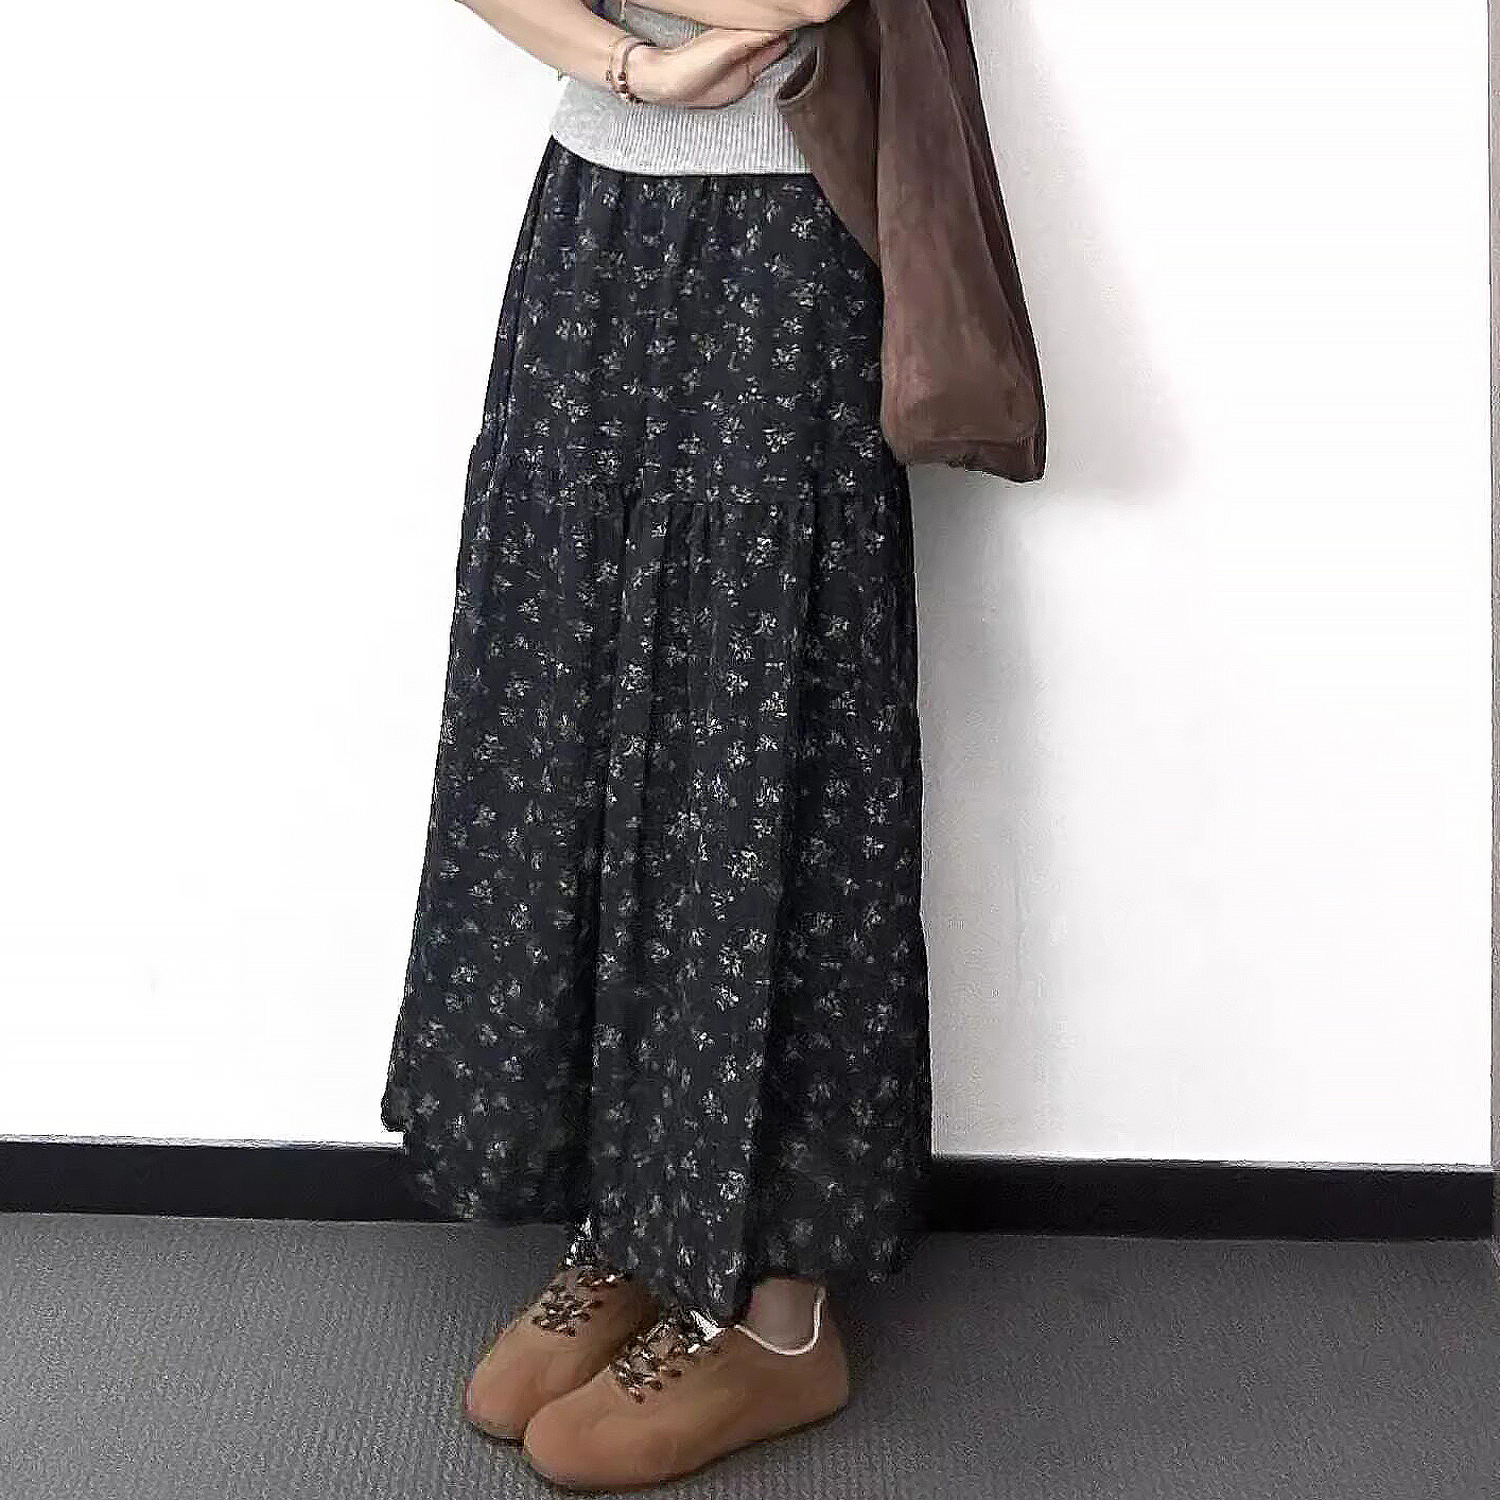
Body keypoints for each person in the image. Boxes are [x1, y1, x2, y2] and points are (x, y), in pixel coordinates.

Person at [379, 0, 932, 1487]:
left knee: (775, 740)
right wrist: (630, 63)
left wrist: (653, 42)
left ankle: (781, 1316)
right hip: (597, 222)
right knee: (566, 714)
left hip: (788, 233)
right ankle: (636, 1225)